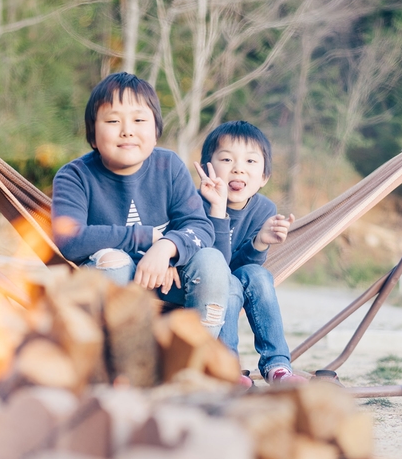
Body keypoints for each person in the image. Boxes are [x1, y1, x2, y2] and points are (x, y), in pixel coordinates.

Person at [52, 72, 230, 336]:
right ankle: (114, 360)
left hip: (169, 280)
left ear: (156, 132)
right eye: (113, 120)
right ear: (92, 134)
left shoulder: (168, 166)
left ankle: (195, 354)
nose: (127, 130)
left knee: (212, 261)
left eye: (139, 120)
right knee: (115, 262)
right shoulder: (75, 176)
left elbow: (199, 227)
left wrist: (166, 248)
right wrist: (144, 237)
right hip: (109, 282)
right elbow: (69, 238)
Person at [194, 120, 305, 384]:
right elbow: (213, 268)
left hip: (235, 283)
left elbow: (242, 267)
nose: (238, 169)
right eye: (226, 159)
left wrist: (260, 243)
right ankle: (226, 368)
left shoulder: (264, 209)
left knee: (257, 273)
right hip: (201, 288)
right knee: (228, 281)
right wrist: (218, 210)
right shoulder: (193, 204)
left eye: (250, 162)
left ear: (264, 177)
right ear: (207, 168)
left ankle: (277, 367)